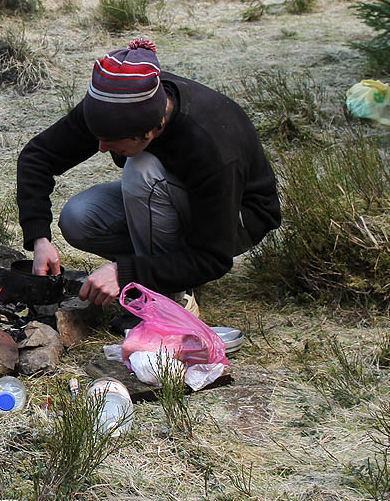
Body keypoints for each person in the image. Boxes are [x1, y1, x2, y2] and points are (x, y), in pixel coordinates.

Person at [15, 38, 281, 312]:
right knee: (78, 217)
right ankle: (164, 268)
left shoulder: (210, 145)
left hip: (237, 220)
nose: (102, 148)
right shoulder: (115, 102)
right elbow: (38, 157)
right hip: (176, 200)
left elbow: (214, 257)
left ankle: (166, 297)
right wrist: (40, 239)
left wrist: (124, 273)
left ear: (151, 131)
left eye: (111, 141)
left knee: (142, 170)